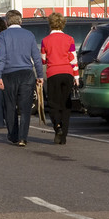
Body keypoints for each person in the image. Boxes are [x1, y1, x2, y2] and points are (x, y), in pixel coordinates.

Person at [0, 10, 44, 147]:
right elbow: (36, 57)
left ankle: (13, 135)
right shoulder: (29, 35)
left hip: (8, 74)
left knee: (10, 106)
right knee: (25, 107)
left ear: (6, 22)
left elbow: (1, 57)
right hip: (26, 74)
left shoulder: (3, 35)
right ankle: (23, 137)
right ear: (20, 21)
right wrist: (40, 75)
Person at [41, 12, 78, 145]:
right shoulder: (70, 39)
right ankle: (63, 136)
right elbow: (73, 59)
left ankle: (57, 126)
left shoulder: (45, 40)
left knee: (53, 104)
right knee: (66, 105)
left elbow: (43, 60)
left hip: (53, 74)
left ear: (50, 24)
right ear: (63, 24)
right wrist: (77, 77)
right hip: (67, 73)